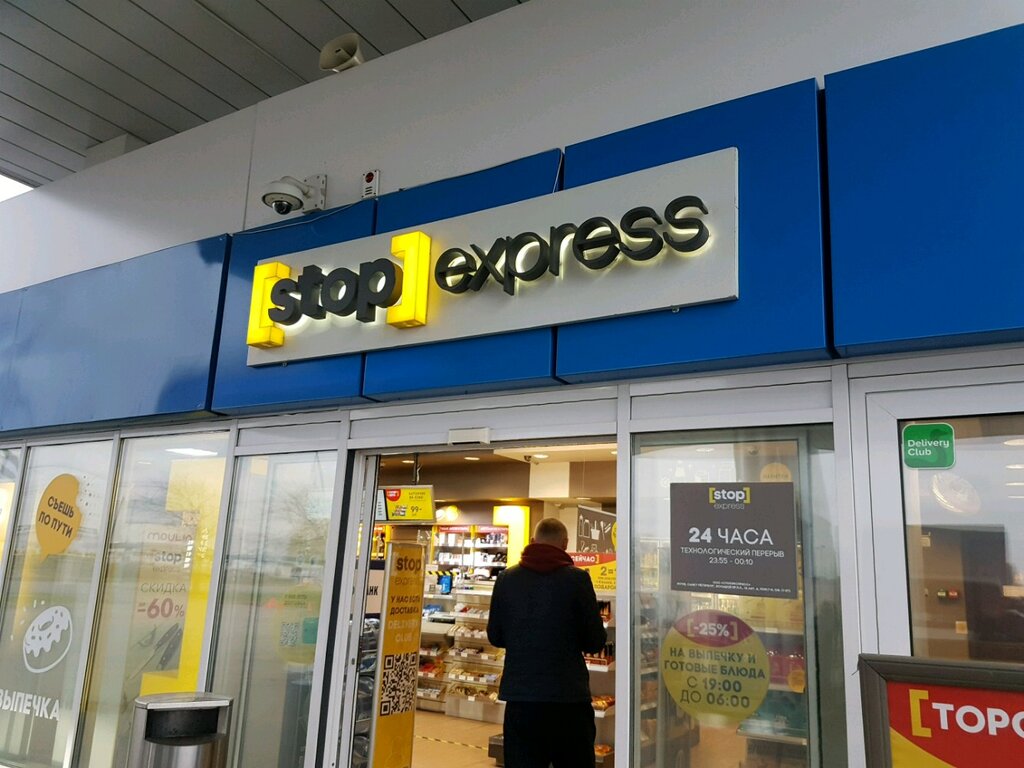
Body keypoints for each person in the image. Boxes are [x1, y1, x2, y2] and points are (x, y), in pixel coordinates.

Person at [486, 517, 608, 768]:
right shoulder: (577, 580)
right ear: (565, 544)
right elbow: (595, 641)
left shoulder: (507, 579)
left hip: (522, 697)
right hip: (569, 698)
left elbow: (495, 636)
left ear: (532, 541)